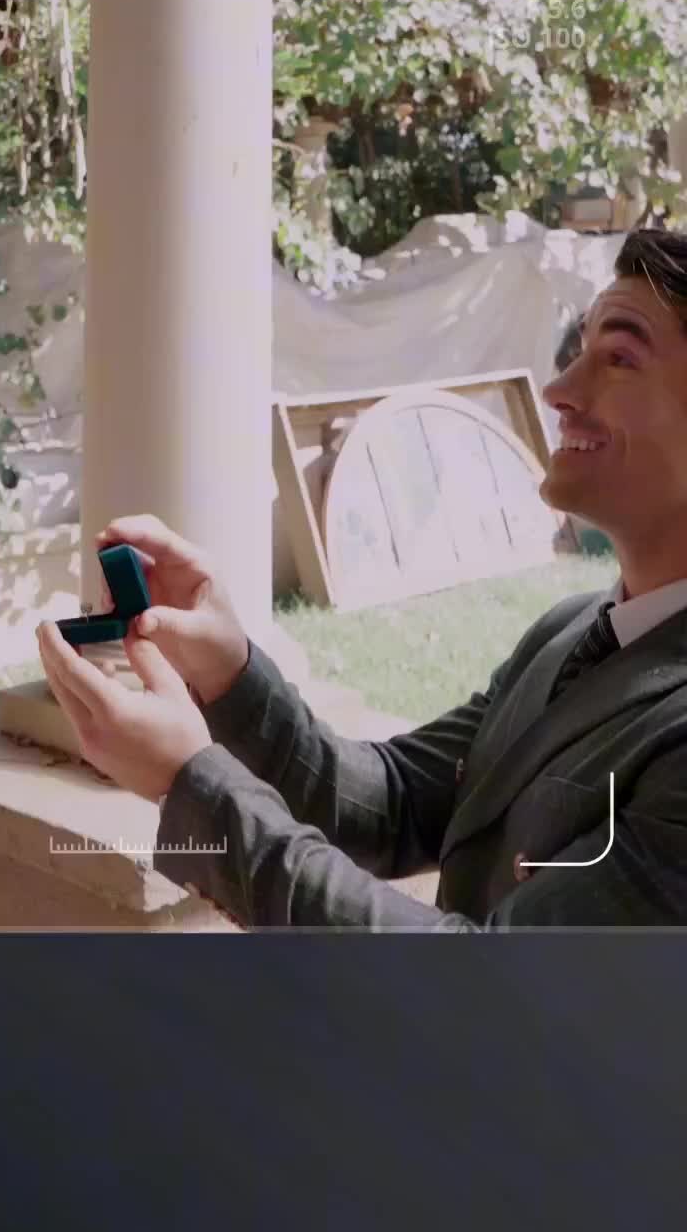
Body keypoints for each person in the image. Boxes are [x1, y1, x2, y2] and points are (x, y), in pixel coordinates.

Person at [38, 227, 687, 928]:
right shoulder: (567, 634)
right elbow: (390, 802)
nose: (559, 389)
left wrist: (191, 782)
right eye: (580, 350)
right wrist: (228, 670)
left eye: (619, 359)